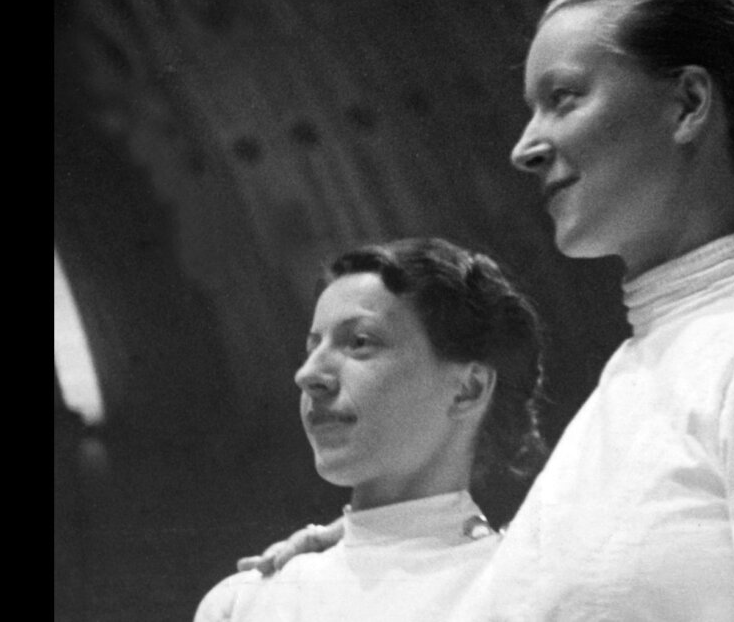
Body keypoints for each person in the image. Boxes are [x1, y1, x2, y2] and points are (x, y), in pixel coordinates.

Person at [243, 0, 734, 620]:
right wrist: (362, 566)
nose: (525, 146)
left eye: (564, 98)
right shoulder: (636, 371)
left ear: (688, 103)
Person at [195, 238, 548, 621]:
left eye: (359, 342)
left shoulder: (524, 592)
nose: (308, 374)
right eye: (312, 347)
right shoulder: (244, 605)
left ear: (468, 388)